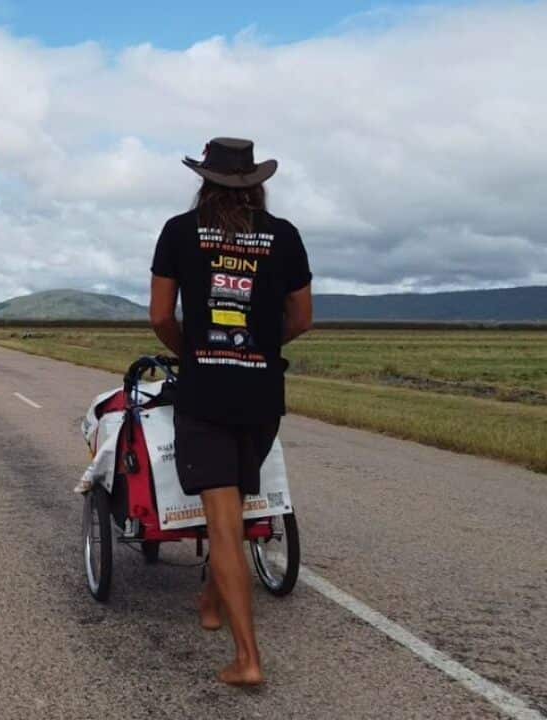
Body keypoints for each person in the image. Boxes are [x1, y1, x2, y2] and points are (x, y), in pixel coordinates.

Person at [149, 137, 313, 686]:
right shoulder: (284, 236)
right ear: (255, 184)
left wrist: (192, 352)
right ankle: (210, 603)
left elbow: (160, 317)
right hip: (263, 395)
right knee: (237, 513)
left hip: (206, 393)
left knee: (223, 526)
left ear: (205, 181)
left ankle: (248, 661)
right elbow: (303, 318)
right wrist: (261, 347)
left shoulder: (179, 231)